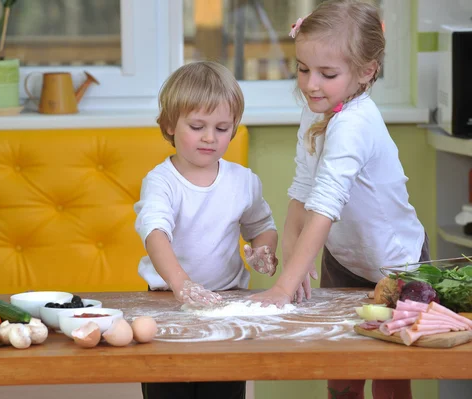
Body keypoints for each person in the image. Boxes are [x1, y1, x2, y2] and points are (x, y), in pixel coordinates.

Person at [250, 1, 429, 399]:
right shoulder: (316, 111)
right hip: (345, 257)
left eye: (327, 74)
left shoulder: (354, 123)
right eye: (302, 69)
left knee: (388, 369)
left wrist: (284, 287)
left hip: (396, 264)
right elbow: (302, 190)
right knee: (342, 366)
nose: (311, 84)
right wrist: (294, 264)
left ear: (366, 72)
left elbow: (327, 204)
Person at [134, 61, 278, 399]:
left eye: (223, 128)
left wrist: (263, 252)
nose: (210, 137)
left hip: (227, 305)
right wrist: (181, 284)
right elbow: (155, 233)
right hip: (167, 304)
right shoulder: (161, 182)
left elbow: (263, 227)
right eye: (197, 126)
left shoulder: (243, 181)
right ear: (169, 125)